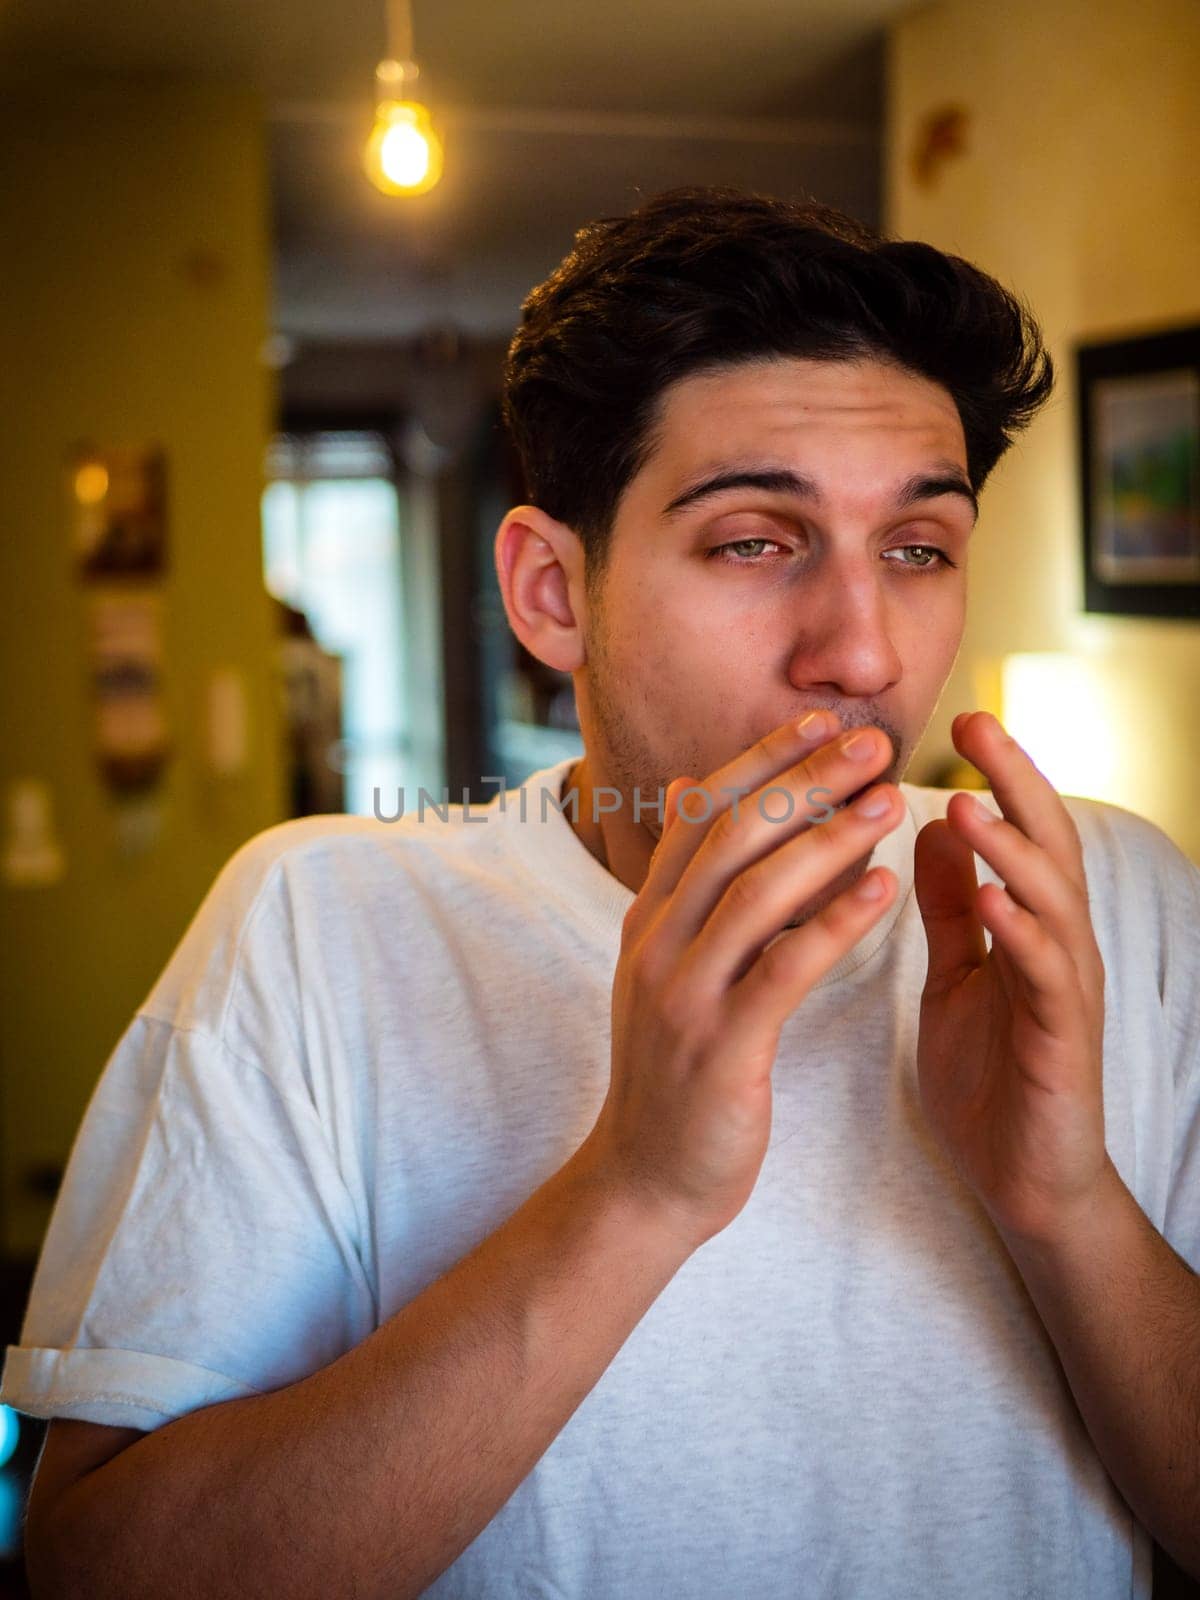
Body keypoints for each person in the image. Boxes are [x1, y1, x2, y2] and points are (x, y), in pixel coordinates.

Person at [5, 186, 1199, 1600]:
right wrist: (635, 1189)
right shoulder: (318, 929)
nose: (863, 652)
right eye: (756, 539)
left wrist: (1068, 1201)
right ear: (554, 593)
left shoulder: (1098, 897)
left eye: (918, 549)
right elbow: (99, 1570)